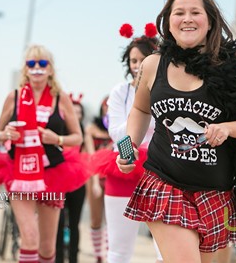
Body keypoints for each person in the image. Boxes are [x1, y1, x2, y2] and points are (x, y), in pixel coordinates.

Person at [117, 0, 236, 263]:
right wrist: (128, 147)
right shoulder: (153, 65)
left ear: (210, 21)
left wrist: (228, 128)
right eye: (179, 13)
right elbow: (141, 109)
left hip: (217, 191)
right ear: (168, 23)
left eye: (195, 12)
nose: (187, 18)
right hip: (164, 183)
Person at [0, 44, 90, 263]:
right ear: (25, 69)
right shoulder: (14, 97)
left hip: (53, 173)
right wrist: (6, 134)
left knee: (48, 247)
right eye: (31, 63)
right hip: (20, 173)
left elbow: (77, 137)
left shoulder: (61, 98)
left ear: (50, 69)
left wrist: (57, 139)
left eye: (43, 63)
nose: (37, 68)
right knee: (29, 239)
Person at [92, 23, 162, 263]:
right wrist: (140, 110)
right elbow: (117, 133)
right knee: (119, 249)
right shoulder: (120, 92)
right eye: (133, 60)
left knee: (166, 251)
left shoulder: (167, 91)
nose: (138, 65)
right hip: (125, 166)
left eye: (143, 59)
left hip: (160, 171)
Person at [55, 95, 88, 263]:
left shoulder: (83, 131)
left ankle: (74, 258)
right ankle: (58, 258)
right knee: (58, 222)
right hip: (58, 180)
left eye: (79, 112)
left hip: (77, 181)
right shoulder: (58, 129)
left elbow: (90, 154)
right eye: (72, 111)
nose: (76, 115)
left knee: (74, 223)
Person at [83, 97, 111, 263]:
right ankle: (98, 255)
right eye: (106, 106)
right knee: (95, 219)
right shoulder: (91, 129)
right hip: (94, 176)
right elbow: (92, 157)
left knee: (111, 219)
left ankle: (109, 255)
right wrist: (94, 183)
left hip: (113, 176)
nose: (108, 109)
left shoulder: (121, 127)